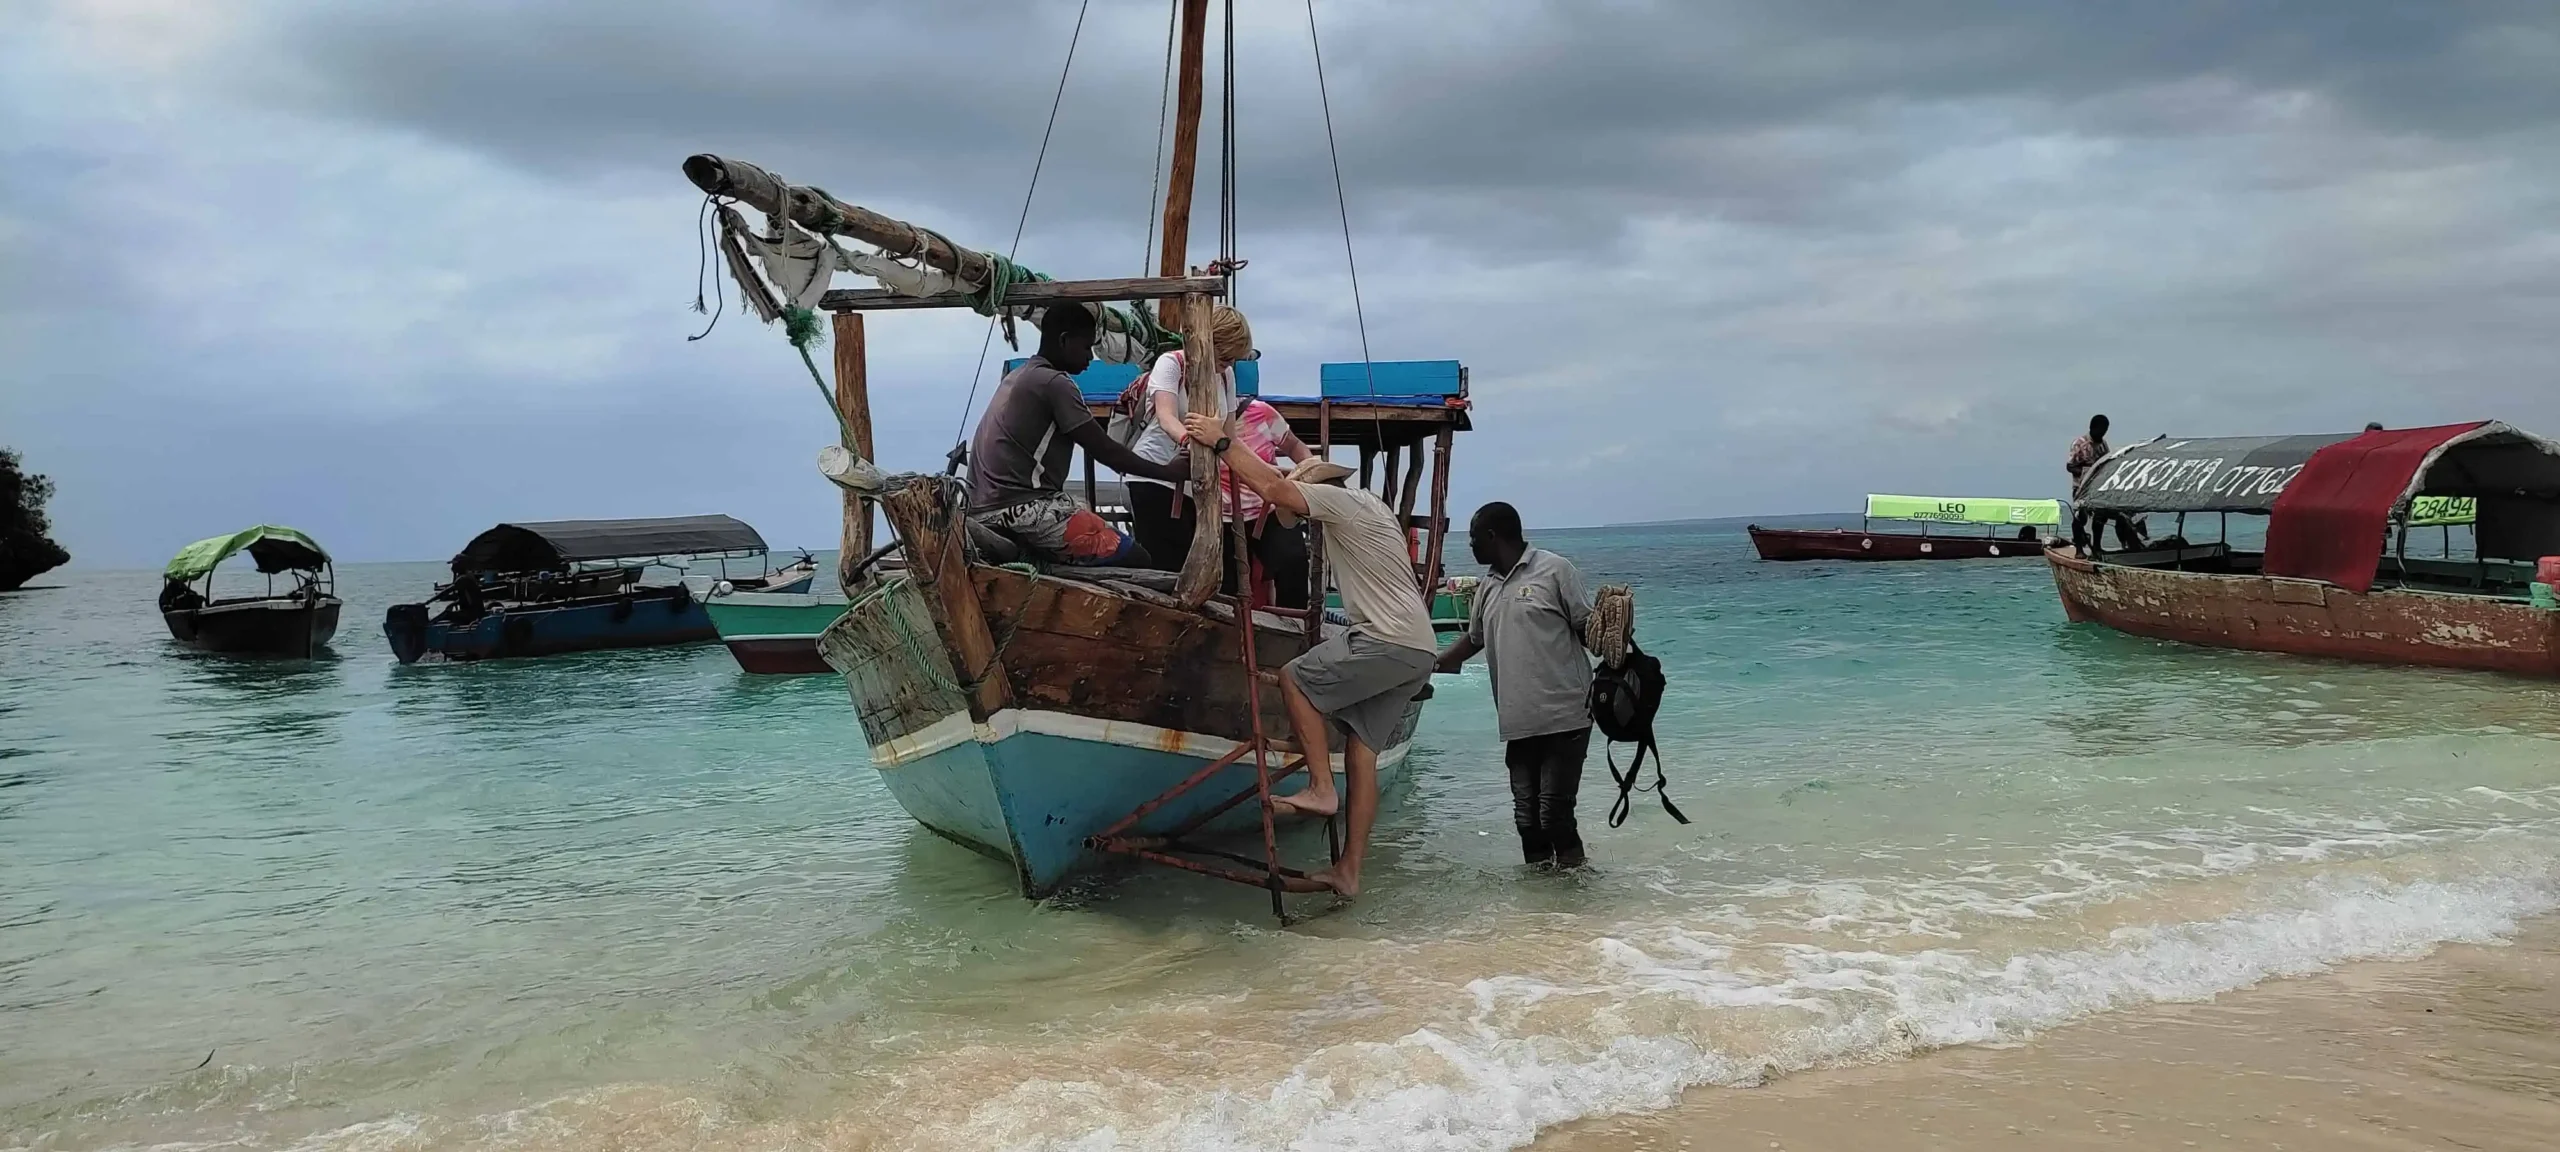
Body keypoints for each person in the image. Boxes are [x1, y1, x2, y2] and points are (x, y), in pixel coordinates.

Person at [1185, 409, 1434, 898]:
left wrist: (1220, 443)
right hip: (1418, 647)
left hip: (1386, 639)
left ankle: (1321, 788)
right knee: (1362, 756)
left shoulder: (1338, 503)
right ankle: (1348, 872)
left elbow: (1276, 491)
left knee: (1296, 677)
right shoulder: (1373, 507)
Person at [1434, 502, 1597, 868]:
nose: (1471, 546)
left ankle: (1577, 897)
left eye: (1474, 539)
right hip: (1518, 724)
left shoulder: (1556, 572)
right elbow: (1473, 640)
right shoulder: (1487, 586)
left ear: (1493, 537)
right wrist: (1428, 666)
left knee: (1555, 816)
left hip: (1566, 717)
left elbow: (1591, 631)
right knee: (1528, 823)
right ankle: (1540, 909)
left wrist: (1620, 652)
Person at [967, 306, 1190, 564]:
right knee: (1137, 558)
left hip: (982, 507)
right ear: (1063, 340)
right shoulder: (1055, 383)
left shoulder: (1020, 375)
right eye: (1086, 347)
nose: (1089, 357)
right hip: (1022, 509)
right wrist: (1169, 472)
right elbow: (1105, 451)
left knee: (1083, 514)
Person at [1127, 307, 1256, 571]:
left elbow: (1228, 436)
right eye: (1225, 355)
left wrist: (1262, 472)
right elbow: (1166, 417)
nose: (1230, 363)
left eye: (1234, 358)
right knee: (1165, 563)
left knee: (1195, 563)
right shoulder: (1171, 363)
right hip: (1154, 474)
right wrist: (1194, 442)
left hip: (1192, 484)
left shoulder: (1226, 376)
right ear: (1209, 343)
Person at [1211, 397, 1316, 608]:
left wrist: (1313, 470)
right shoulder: (1197, 419)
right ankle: (1233, 635)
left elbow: (1294, 445)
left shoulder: (1260, 412)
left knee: (1293, 563)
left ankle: (1294, 629)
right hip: (1218, 517)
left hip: (1267, 510)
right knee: (1226, 585)